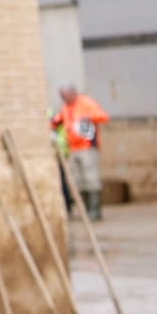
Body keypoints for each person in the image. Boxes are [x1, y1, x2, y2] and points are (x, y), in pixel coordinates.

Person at [49, 84, 108, 225]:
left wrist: (88, 117)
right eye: (62, 96)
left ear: (73, 93)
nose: (64, 98)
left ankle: (95, 210)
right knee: (78, 180)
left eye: (65, 95)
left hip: (87, 147)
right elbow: (56, 122)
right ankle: (85, 210)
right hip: (73, 149)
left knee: (91, 178)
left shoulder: (85, 103)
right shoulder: (65, 108)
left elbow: (103, 116)